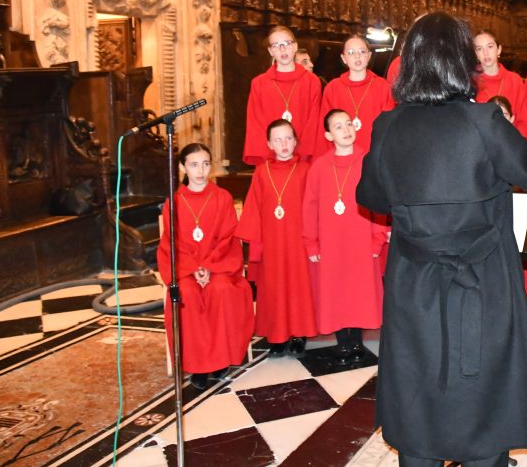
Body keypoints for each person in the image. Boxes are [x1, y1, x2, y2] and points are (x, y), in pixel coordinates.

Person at [355, 12, 527, 467]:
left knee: (419, 379)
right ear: (462, 61)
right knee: (483, 384)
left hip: (415, 282)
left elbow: (370, 196)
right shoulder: (482, 120)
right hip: (481, 280)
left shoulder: (388, 126)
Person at [158, 143, 254, 389]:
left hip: (220, 266)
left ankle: (220, 360)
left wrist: (209, 267)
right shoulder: (174, 202)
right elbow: (172, 243)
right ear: (183, 167)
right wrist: (193, 269)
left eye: (205, 164)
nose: (200, 171)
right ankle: (198, 365)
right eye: (194, 165)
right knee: (186, 294)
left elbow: (228, 237)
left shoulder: (222, 197)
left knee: (219, 290)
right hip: (185, 269)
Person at [304, 109, 388, 360]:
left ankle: (356, 342)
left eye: (349, 124)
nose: (346, 129)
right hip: (331, 241)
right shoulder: (319, 167)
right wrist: (311, 243)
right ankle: (343, 341)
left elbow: (378, 202)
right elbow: (309, 207)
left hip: (361, 239)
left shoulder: (368, 162)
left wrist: (377, 238)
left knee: (358, 289)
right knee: (336, 290)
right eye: (338, 126)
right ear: (328, 135)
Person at [236, 119, 317, 356]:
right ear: (269, 144)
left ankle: (299, 334)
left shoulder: (305, 170)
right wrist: (256, 245)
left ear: (296, 141)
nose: (284, 144)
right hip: (271, 241)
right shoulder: (262, 172)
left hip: (298, 241)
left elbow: (313, 206)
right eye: (278, 140)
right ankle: (277, 336)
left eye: (288, 138)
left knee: (298, 286)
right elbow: (253, 208)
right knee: (274, 287)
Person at [488, 94, 527, 320]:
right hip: (489, 220)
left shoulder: (522, 146)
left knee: (518, 270)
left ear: (512, 118)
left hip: (517, 214)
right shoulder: (478, 147)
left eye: (503, 115)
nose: (500, 120)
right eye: (494, 116)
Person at [243, 26, 323, 164]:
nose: (282, 49)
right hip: (271, 160)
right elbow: (256, 124)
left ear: (295, 46)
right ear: (270, 51)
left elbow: (314, 122)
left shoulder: (311, 81)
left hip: (304, 160)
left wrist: (302, 156)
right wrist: (270, 158)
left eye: (286, 43)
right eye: (276, 45)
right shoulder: (259, 83)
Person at [316, 34, 395, 157]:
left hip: (374, 155)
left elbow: (390, 127)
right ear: (343, 58)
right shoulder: (332, 88)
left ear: (369, 56)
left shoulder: (384, 87)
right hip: (342, 155)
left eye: (362, 51)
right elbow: (325, 127)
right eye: (351, 52)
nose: (357, 56)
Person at [474, 30, 527, 140]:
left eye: (490, 47)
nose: (485, 53)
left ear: (499, 49)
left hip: (512, 143)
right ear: (475, 54)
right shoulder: (470, 83)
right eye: (479, 49)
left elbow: (524, 120)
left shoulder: (514, 80)